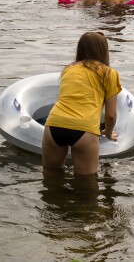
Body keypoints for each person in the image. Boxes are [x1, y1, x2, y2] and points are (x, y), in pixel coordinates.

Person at [42, 32, 122, 176]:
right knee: (87, 186)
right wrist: (108, 133)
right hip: (84, 130)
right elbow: (111, 115)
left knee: (50, 176)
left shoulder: (68, 69)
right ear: (104, 50)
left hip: (54, 125)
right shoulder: (109, 73)